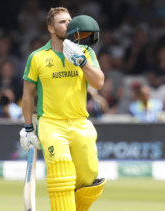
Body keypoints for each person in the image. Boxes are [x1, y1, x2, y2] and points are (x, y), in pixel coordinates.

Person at [19, 8, 105, 211]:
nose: (68, 25)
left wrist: (83, 63)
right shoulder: (38, 57)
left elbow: (99, 82)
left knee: (90, 181)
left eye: (69, 21)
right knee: (61, 175)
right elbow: (27, 95)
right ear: (50, 28)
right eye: (62, 22)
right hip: (51, 124)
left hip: (80, 123)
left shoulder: (85, 51)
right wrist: (28, 128)